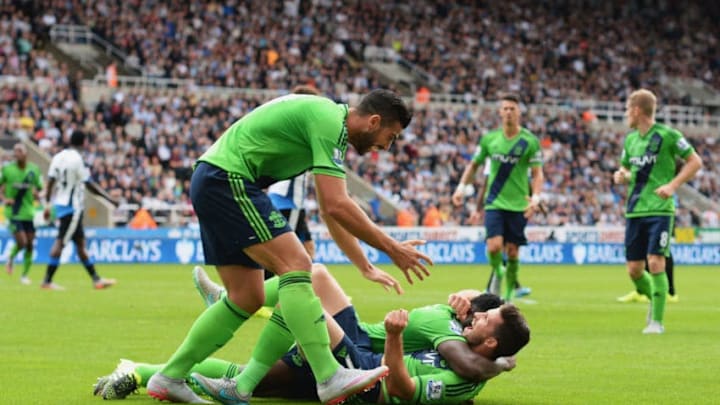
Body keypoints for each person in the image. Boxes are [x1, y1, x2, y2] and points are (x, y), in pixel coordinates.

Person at [146, 89, 433, 405]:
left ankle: (170, 376)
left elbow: (329, 208)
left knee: (248, 297)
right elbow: (338, 204)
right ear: (374, 121)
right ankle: (329, 375)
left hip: (214, 179)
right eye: (389, 137)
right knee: (298, 264)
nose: (386, 147)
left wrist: (365, 265)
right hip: (229, 180)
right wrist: (392, 248)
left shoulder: (326, 122)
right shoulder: (330, 123)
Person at [95, 265, 528, 404]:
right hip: (356, 346)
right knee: (311, 274)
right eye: (476, 313)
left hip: (364, 369)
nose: (472, 316)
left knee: (299, 294)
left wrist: (500, 362)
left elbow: (410, 384)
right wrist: (503, 362)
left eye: (481, 320)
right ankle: (240, 307)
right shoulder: (445, 322)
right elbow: (477, 323)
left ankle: (238, 310)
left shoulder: (461, 358)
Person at [612, 89, 702, 334]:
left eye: (628, 110)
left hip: (660, 210)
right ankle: (655, 295)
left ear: (637, 110)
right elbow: (627, 170)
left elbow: (695, 161)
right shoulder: (630, 140)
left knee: (656, 261)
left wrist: (673, 185)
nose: (626, 115)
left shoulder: (668, 135)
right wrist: (621, 175)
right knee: (634, 269)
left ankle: (656, 322)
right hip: (634, 211)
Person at [452, 93, 544, 302]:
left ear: (519, 112)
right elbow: (474, 165)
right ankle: (499, 272)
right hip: (494, 202)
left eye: (513, 108)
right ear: (500, 112)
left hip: (519, 204)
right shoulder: (489, 140)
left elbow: (538, 173)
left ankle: (509, 295)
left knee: (512, 252)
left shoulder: (529, 141)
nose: (509, 112)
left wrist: (536, 198)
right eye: (505, 109)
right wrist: (461, 188)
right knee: (493, 246)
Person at [40, 130, 118, 290]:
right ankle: (47, 281)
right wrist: (109, 199)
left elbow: (50, 183)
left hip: (60, 205)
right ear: (84, 143)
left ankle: (96, 280)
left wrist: (48, 205)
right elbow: (89, 184)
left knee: (81, 244)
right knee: (60, 243)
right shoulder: (77, 160)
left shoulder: (58, 157)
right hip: (72, 208)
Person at [474, 162, 532, 298]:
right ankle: (498, 288)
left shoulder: (522, 158)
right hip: (497, 209)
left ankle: (506, 288)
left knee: (508, 253)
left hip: (514, 210)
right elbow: (485, 184)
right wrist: (478, 209)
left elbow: (527, 183)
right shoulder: (494, 157)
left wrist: (534, 200)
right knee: (498, 251)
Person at [0, 143, 43, 284]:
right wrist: (5, 199)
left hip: (29, 212)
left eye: (19, 150)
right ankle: (10, 259)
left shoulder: (34, 170)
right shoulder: (7, 169)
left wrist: (38, 194)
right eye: (15, 150)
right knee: (22, 242)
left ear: (26, 154)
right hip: (13, 212)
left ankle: (24, 275)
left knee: (30, 244)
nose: (16, 153)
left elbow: (40, 189)